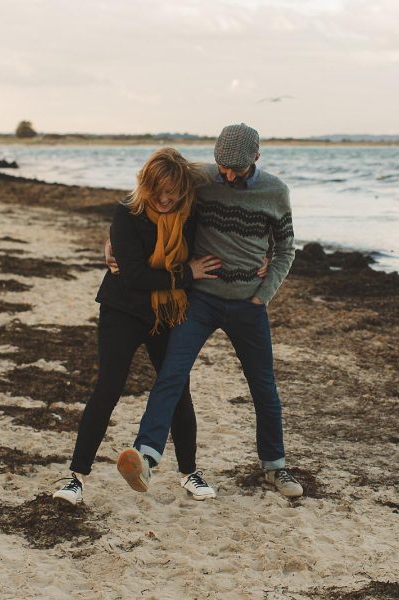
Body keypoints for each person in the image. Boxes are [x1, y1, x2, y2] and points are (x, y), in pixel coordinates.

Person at [114, 123, 304, 498]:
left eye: (235, 168)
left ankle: (275, 467)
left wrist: (262, 295)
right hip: (200, 299)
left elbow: (286, 248)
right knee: (172, 374)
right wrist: (114, 239)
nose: (227, 174)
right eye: (222, 166)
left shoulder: (275, 192)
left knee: (264, 388)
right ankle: (146, 459)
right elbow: (149, 196)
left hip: (248, 305)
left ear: (256, 158)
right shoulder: (200, 176)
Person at [53, 147, 238, 504]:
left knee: (177, 389)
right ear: (145, 186)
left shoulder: (190, 212)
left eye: (173, 191)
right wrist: (187, 273)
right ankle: (75, 477)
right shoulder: (127, 213)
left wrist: (264, 256)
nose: (166, 199)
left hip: (167, 315)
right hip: (121, 310)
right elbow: (135, 275)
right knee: (108, 388)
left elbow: (221, 207)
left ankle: (190, 473)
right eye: (158, 191)